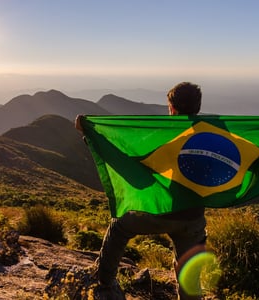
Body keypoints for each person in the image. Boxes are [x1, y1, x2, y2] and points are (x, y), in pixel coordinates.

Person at [75, 82, 207, 300]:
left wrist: (89, 132)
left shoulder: (161, 136)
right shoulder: (211, 138)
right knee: (189, 271)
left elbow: (125, 157)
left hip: (155, 212)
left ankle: (104, 284)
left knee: (119, 227)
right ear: (198, 108)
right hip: (191, 217)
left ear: (172, 109)